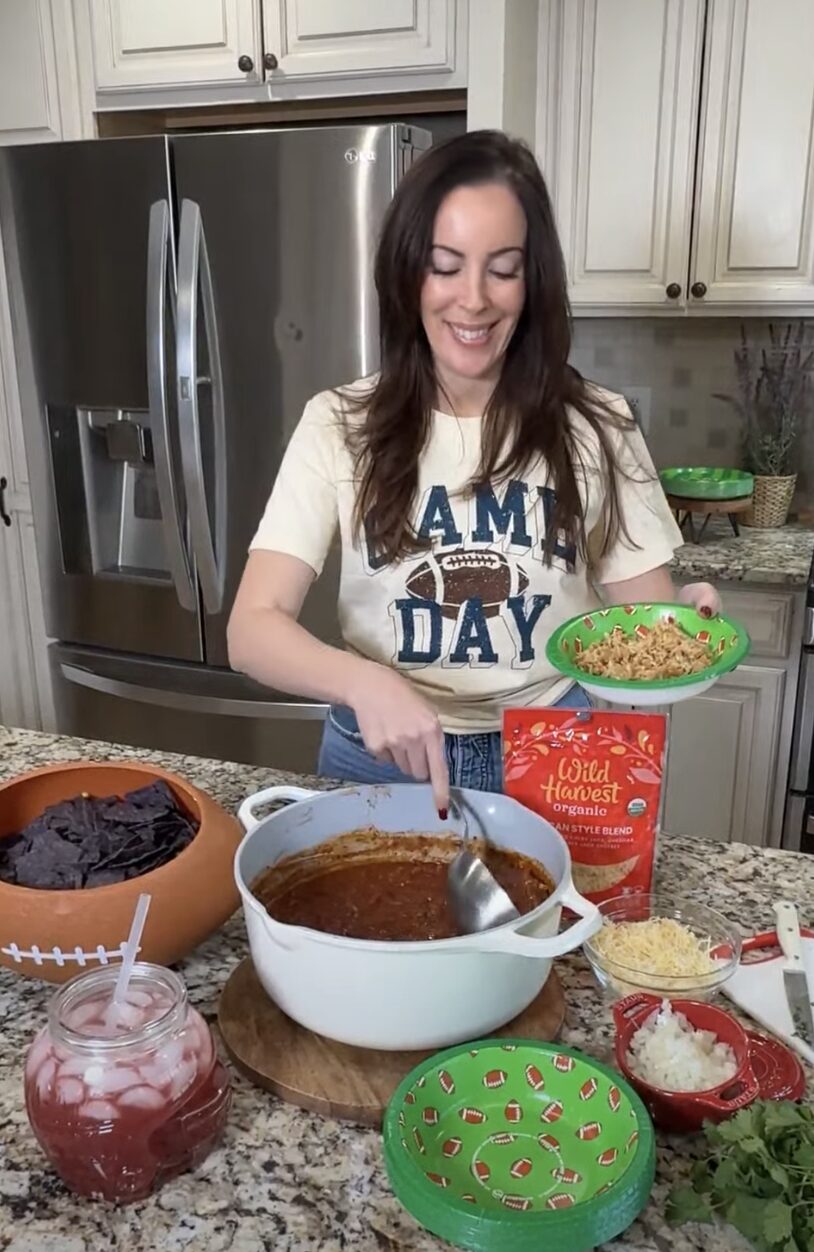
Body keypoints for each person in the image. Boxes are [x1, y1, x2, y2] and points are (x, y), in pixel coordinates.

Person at [227, 130, 718, 815]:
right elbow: (251, 629)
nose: (474, 298)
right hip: (380, 752)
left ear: (533, 280)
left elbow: (642, 622)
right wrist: (363, 683)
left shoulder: (599, 423)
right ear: (409, 274)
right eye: (445, 266)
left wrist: (682, 623)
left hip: (556, 746)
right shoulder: (338, 423)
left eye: (503, 269)